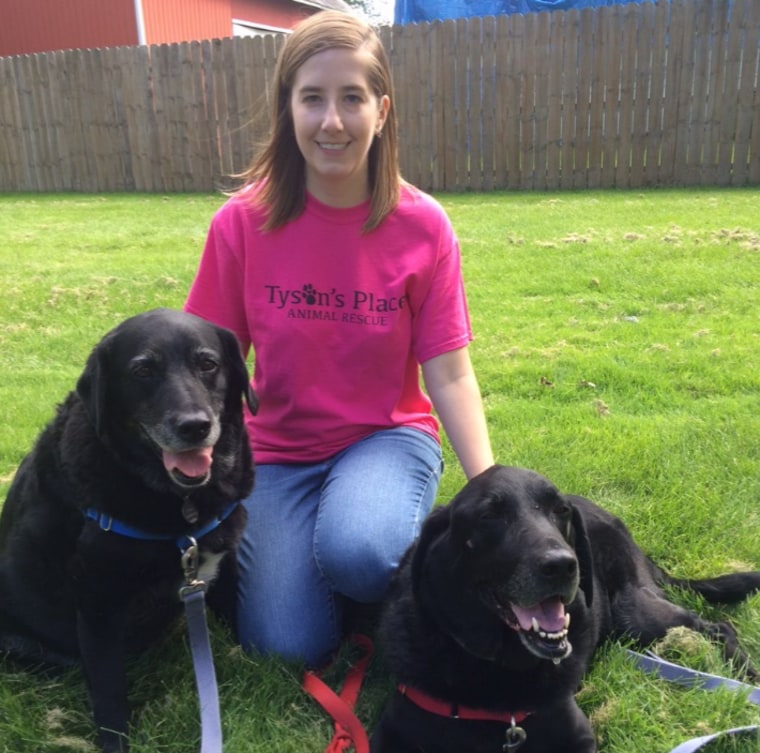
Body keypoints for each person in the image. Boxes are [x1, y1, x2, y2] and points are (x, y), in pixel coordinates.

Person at [184, 9, 494, 668]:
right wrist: (195, 464)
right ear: (286, 109)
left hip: (385, 437)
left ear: (381, 110)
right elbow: (209, 367)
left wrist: (491, 490)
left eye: (351, 97)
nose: (332, 120)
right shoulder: (240, 225)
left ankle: (370, 546)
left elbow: (449, 373)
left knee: (359, 551)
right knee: (285, 642)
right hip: (277, 452)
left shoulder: (423, 226)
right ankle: (338, 567)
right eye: (312, 98)